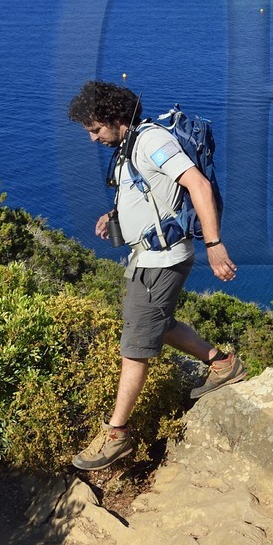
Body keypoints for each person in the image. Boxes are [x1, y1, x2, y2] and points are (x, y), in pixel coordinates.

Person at [66, 79, 246, 471]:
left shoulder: (150, 141)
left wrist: (214, 244)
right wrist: (116, 216)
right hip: (146, 257)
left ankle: (117, 434)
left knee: (135, 344)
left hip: (161, 261)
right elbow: (151, 192)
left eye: (95, 130)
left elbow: (196, 184)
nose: (93, 138)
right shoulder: (128, 145)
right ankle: (222, 364)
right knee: (157, 324)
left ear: (114, 118)